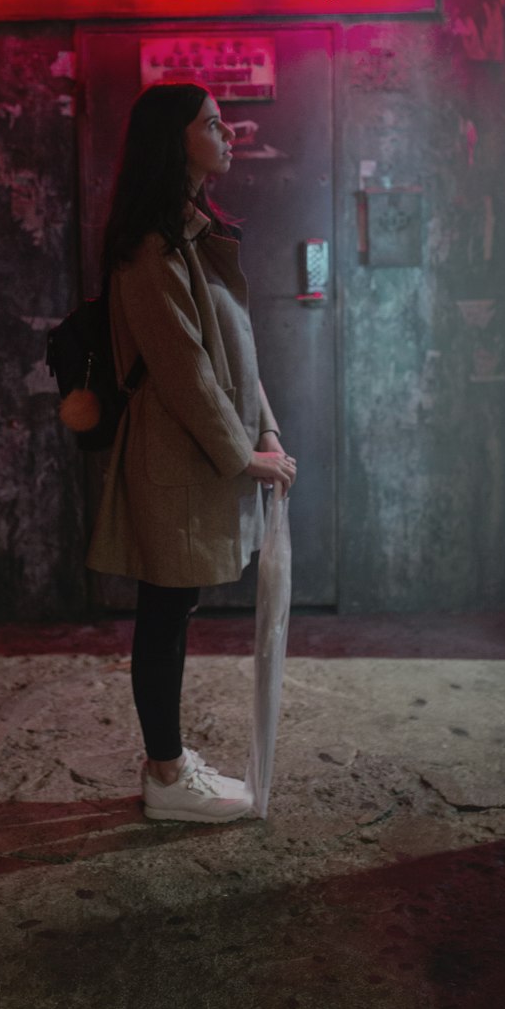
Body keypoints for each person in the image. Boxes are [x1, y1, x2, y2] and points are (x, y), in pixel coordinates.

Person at [87, 82, 296, 823]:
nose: (228, 132)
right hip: (174, 458)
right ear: (173, 142)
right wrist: (246, 457)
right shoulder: (151, 249)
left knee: (174, 608)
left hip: (199, 452)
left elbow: (239, 354)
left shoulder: (191, 230)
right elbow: (185, 372)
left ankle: (168, 762)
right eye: (211, 124)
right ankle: (167, 775)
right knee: (165, 610)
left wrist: (264, 429)